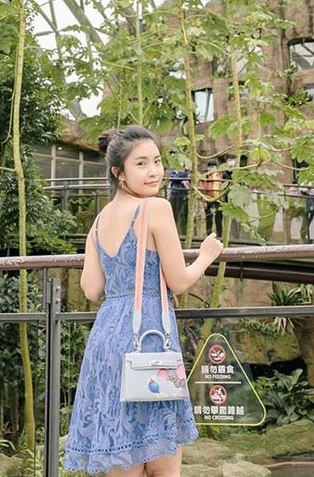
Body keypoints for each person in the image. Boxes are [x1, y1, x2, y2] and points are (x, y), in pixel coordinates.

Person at [65, 126, 222, 476]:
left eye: (156, 161)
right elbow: (179, 281)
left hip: (106, 341)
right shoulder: (156, 208)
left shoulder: (99, 220)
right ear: (118, 173)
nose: (154, 171)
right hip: (149, 336)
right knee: (164, 467)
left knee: (122, 456)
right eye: (141, 164)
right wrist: (206, 255)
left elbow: (91, 289)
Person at [198, 165, 227, 237]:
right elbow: (203, 189)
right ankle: (209, 235)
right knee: (209, 219)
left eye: (213, 166)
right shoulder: (206, 176)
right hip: (209, 199)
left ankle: (219, 235)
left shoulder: (220, 176)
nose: (211, 168)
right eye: (210, 167)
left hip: (219, 200)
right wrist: (204, 201)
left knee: (219, 218)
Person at [166, 167, 190, 236]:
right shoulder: (173, 169)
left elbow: (185, 176)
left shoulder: (185, 170)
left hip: (182, 195)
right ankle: (172, 233)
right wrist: (181, 178)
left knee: (183, 216)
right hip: (174, 194)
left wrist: (181, 176)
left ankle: (183, 233)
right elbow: (173, 178)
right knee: (174, 215)